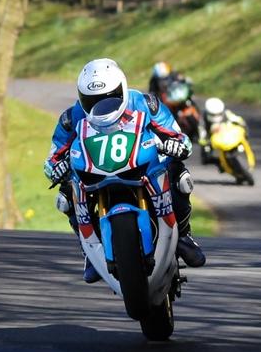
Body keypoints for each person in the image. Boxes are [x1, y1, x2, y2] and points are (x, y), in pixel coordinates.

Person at [44, 58, 206, 283]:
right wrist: (55, 167)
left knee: (179, 175)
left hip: (142, 165)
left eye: (110, 98)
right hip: (95, 172)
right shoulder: (71, 118)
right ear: (82, 98)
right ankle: (90, 251)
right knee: (65, 195)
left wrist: (175, 144)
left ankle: (184, 235)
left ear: (122, 89)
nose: (102, 105)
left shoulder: (145, 103)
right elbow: (52, 156)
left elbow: (178, 135)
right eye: (92, 101)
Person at [198, 97, 249, 166]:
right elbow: (202, 136)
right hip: (212, 139)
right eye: (213, 115)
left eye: (218, 114)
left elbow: (238, 120)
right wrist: (206, 142)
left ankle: (242, 147)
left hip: (228, 134)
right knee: (205, 158)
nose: (216, 117)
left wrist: (241, 125)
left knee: (245, 129)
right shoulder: (203, 120)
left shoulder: (226, 113)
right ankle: (221, 163)